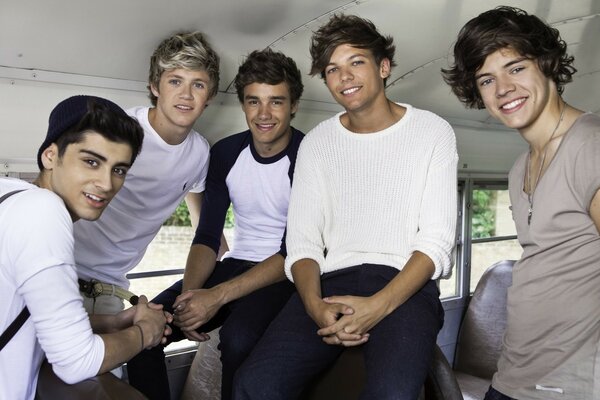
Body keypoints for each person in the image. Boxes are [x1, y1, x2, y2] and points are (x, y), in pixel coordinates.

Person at [234, 14, 458, 400]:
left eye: (356, 62)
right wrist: (314, 305)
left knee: (392, 394)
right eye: (333, 69)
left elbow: (436, 242)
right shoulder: (318, 142)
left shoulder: (433, 132)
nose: (345, 78)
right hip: (328, 284)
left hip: (405, 284)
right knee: (253, 387)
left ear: (383, 67)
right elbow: (302, 243)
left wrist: (376, 306)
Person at [127, 48, 305, 400]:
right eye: (254, 102)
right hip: (235, 263)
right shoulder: (224, 153)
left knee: (239, 340)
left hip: (285, 272)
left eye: (276, 102)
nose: (264, 114)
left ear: (294, 105)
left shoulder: (309, 155)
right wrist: (191, 298)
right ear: (243, 105)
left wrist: (216, 296)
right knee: (146, 331)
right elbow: (207, 236)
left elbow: (293, 251)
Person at [442, 6, 600, 400]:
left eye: (515, 68)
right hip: (513, 373)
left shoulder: (591, 146)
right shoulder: (519, 168)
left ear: (546, 63)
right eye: (486, 79)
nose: (503, 89)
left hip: (569, 385)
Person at [0, 95, 172, 400]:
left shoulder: (11, 195)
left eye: (119, 170)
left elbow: (37, 318)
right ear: (50, 156)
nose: (106, 183)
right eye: (91, 161)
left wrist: (115, 322)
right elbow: (76, 362)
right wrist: (147, 331)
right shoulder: (43, 211)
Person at [73, 31, 219, 314]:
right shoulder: (119, 130)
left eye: (198, 85)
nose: (186, 95)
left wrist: (210, 290)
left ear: (210, 96)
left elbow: (204, 226)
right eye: (175, 81)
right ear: (155, 86)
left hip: (109, 286)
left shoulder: (200, 153)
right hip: (60, 264)